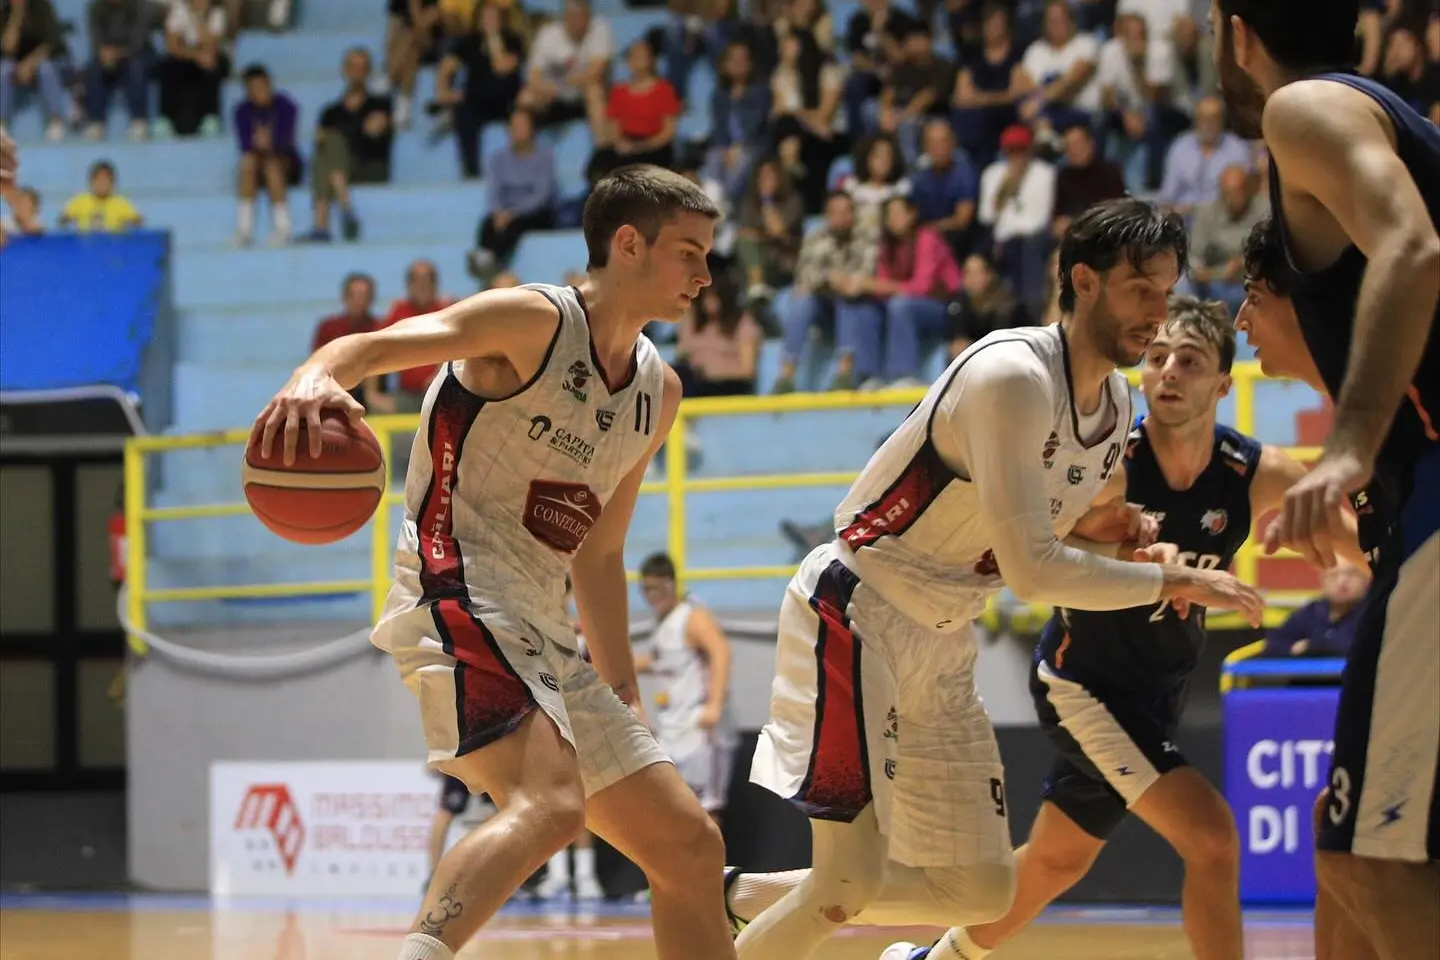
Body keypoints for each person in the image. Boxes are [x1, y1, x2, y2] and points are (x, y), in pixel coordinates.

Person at [723, 199, 1265, 960]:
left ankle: (745, 895)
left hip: (945, 636)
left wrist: (1116, 528)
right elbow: (1034, 567)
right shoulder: (1011, 374)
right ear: (1084, 280)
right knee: (846, 883)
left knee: (981, 890)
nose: (1156, 312)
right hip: (860, 613)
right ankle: (760, 906)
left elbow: (1065, 517)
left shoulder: (1114, 405)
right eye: (1142, 288)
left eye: (1167, 290)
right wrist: (1173, 578)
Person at [255, 164, 735, 960]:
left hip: (546, 627)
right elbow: (376, 346)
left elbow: (603, 550)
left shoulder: (660, 390)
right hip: (458, 586)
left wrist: (622, 691)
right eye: (689, 252)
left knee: (689, 848)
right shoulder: (532, 321)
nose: (704, 274)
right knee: (549, 805)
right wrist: (317, 374)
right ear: (628, 244)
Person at [880, 297, 1364, 960]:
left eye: (1189, 362)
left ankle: (932, 958)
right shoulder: (1108, 462)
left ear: (1223, 384)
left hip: (1158, 692)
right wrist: (1129, 554)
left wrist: (1330, 536)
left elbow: (1362, 551)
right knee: (1214, 837)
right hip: (1086, 685)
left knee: (1056, 861)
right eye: (1157, 357)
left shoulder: (1256, 473)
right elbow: (1036, 545)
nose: (1167, 371)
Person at [1212, 2, 1440, 954]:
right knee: (1347, 854)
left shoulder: (1303, 108)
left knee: (1363, 860)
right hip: (1412, 504)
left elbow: (1411, 246)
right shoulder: (1392, 115)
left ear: (1235, 32)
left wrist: (1350, 444)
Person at [1234, 215, 1408, 960]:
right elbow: (1396, 555)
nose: (1240, 320)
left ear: (1303, 300)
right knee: (1332, 836)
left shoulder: (1389, 403)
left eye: (1252, 298)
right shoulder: (1354, 419)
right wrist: (1338, 537)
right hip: (1405, 642)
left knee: (1348, 849)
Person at [633, 552, 737, 822]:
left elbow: (721, 653)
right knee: (675, 807)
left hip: (699, 726)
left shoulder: (692, 616)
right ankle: (681, 865)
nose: (653, 595)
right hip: (672, 727)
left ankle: (711, 866)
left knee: (706, 808)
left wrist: (714, 705)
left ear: (673, 583)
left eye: (659, 587)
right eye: (647, 589)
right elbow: (660, 662)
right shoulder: (663, 623)